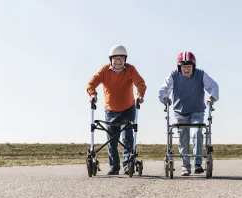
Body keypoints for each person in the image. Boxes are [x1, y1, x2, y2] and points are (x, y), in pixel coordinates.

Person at [86, 45, 147, 175]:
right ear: (111, 59)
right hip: (110, 110)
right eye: (115, 59)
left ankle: (127, 165)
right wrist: (93, 94)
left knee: (127, 138)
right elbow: (91, 83)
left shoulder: (130, 69)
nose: (118, 61)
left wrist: (140, 95)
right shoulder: (104, 71)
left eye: (121, 58)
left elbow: (140, 83)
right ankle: (114, 166)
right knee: (112, 140)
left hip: (128, 109)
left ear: (125, 59)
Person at [158, 51, 219, 176]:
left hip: (197, 110)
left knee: (197, 132)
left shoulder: (201, 74)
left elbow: (213, 86)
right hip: (180, 111)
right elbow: (163, 89)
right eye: (184, 66)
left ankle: (197, 163)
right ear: (179, 67)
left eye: (189, 66)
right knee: (183, 136)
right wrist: (165, 98)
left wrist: (211, 97)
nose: (186, 69)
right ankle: (185, 166)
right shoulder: (174, 75)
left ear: (193, 66)